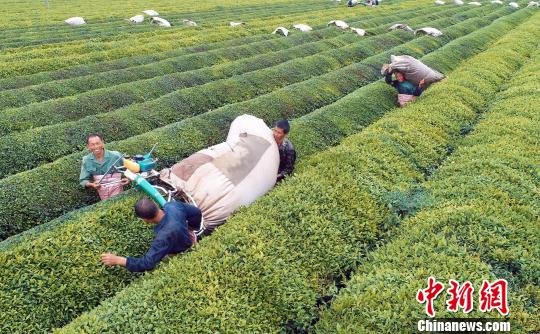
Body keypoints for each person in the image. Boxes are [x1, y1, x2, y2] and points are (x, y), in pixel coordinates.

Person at [101, 198, 202, 272]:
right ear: (155, 204)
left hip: (182, 253)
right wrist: (191, 228)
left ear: (145, 220)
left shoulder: (163, 237)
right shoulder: (172, 206)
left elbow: (147, 263)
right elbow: (196, 212)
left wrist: (118, 260)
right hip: (192, 239)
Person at [79, 134, 130, 200]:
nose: (96, 146)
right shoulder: (86, 160)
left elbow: (130, 168)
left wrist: (128, 178)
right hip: (102, 193)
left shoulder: (115, 155)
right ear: (88, 146)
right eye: (92, 144)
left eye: (98, 143)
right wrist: (91, 184)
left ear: (103, 143)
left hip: (118, 190)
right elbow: (83, 180)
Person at [273, 119, 296, 183]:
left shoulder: (289, 149)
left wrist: (275, 177)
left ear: (285, 134)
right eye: (275, 131)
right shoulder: (271, 139)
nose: (275, 134)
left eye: (279, 133)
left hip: (278, 176)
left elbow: (288, 169)